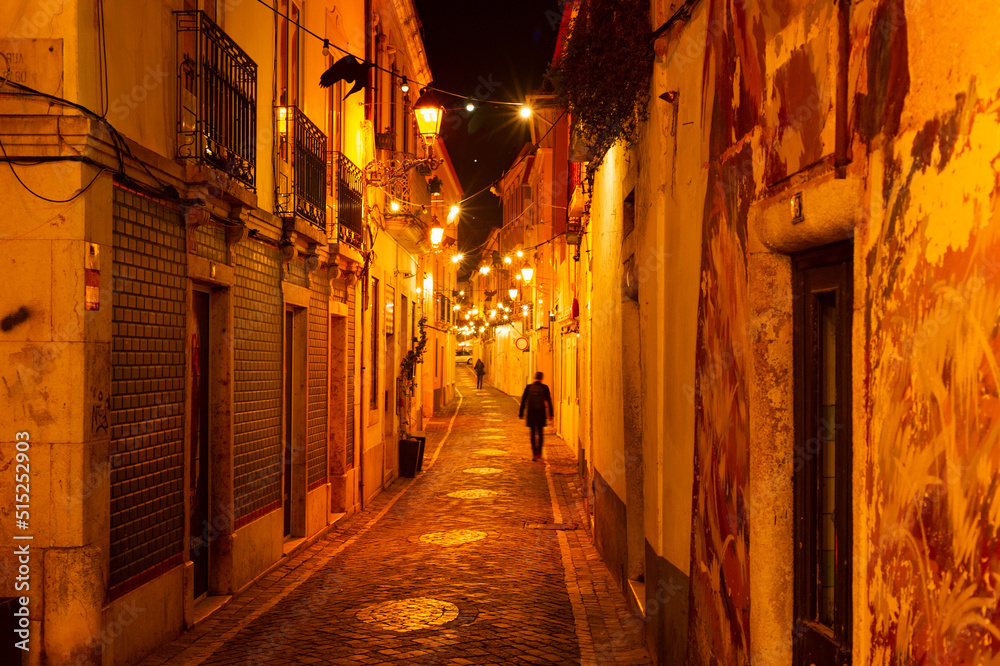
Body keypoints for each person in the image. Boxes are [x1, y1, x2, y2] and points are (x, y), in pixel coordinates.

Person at [519, 371, 553, 461]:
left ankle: (534, 454)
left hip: (531, 413)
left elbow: (523, 400)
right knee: (541, 434)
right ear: (541, 379)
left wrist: (521, 413)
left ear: (534, 378)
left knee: (533, 434)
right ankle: (540, 453)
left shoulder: (529, 387)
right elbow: (549, 401)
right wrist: (551, 414)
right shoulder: (545, 388)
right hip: (541, 413)